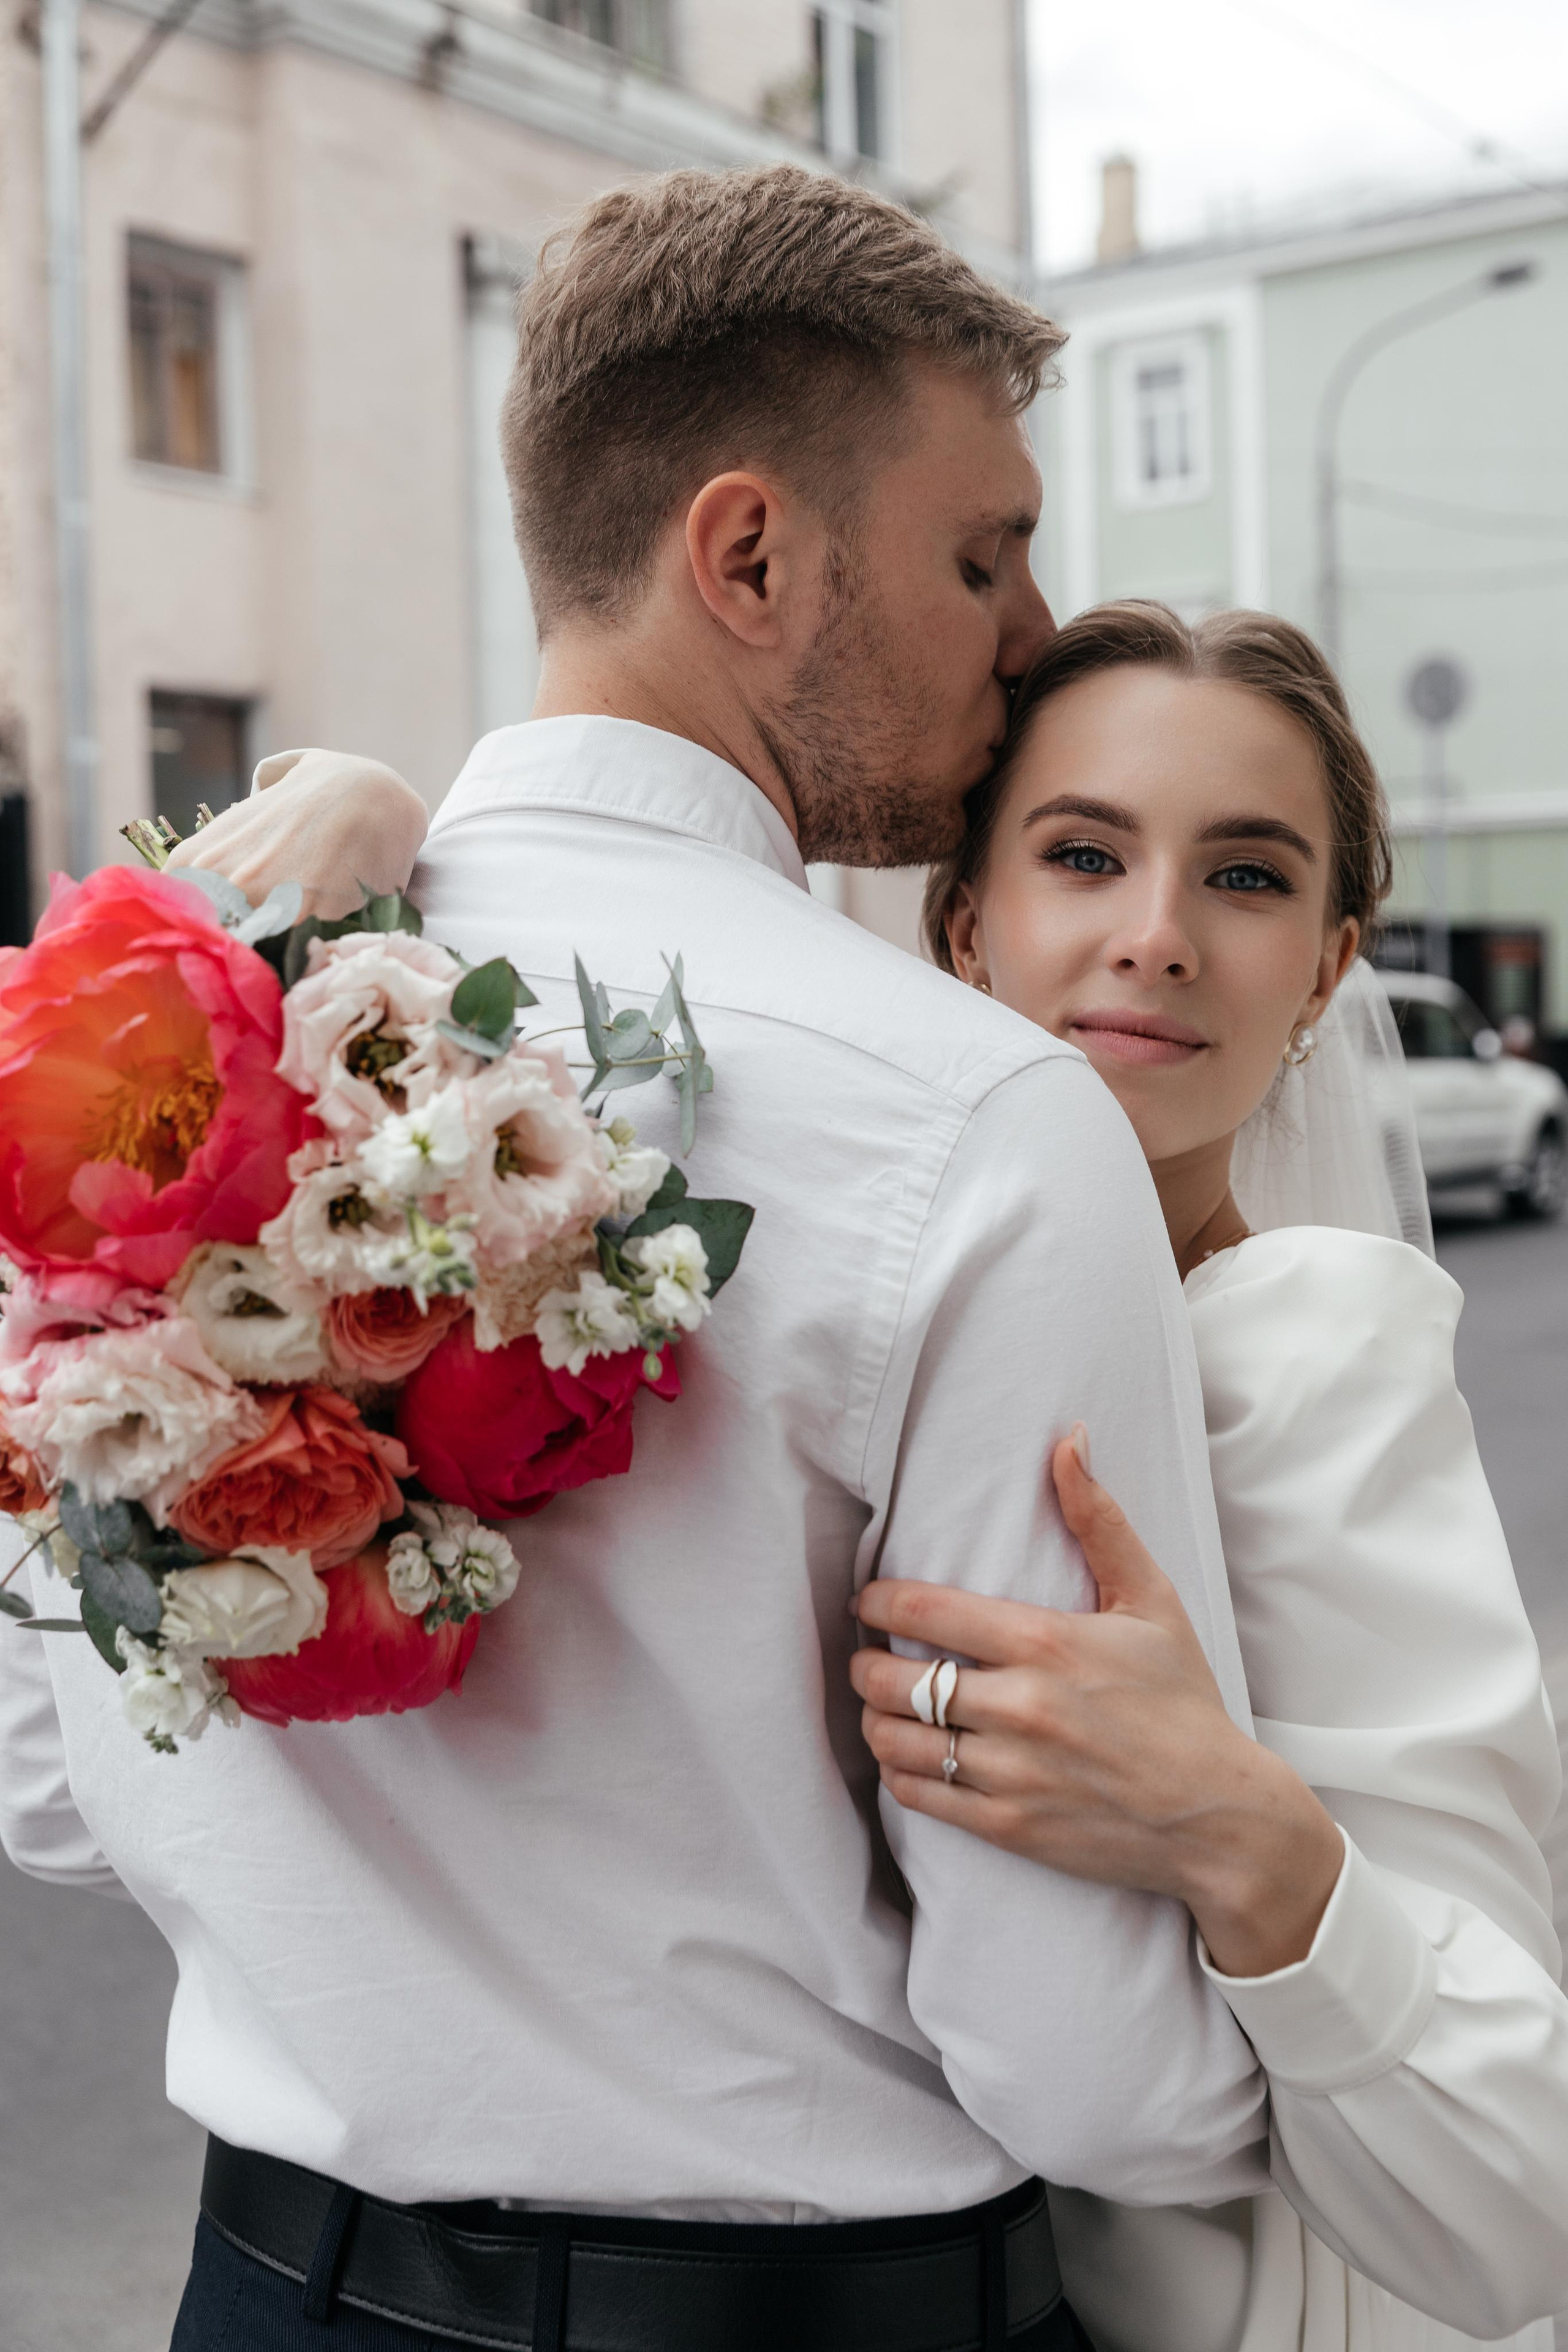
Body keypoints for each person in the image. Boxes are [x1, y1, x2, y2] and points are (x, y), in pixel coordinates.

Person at [0, 169, 1275, 2352]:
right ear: (753, 555)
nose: (1038, 627)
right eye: (985, 554)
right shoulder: (979, 1120)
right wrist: (1311, 2096)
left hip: (264, 2297)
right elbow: (1069, 2043)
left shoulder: (154, 1041)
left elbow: (54, 1778)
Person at [849, 600, 1568, 2350]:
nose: (1156, 937)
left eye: (1246, 878)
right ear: (966, 923)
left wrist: (1241, 1835)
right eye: (1085, 854)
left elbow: (1518, 2203)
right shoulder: (876, 1319)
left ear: (1330, 968)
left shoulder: (1307, 1359)